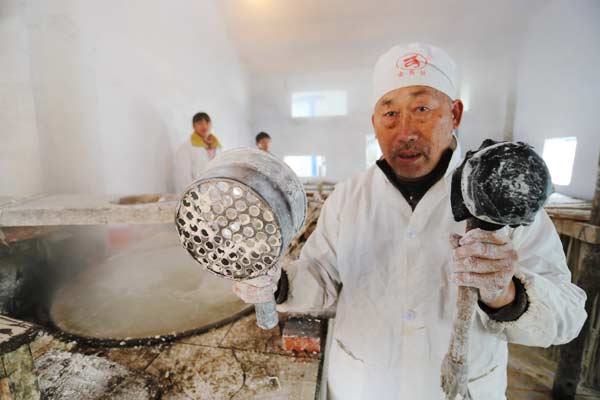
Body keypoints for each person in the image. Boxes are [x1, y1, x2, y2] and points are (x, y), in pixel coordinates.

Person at [232, 43, 587, 399]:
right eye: (390, 114)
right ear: (374, 123)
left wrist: (508, 295)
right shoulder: (349, 197)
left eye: (421, 109)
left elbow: (568, 318)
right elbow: (320, 279)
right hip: (361, 386)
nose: (405, 132)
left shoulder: (499, 195)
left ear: (455, 113)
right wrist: (278, 284)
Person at [173, 112, 222, 192]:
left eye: (207, 122)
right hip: (196, 195)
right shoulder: (186, 148)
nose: (204, 126)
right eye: (199, 123)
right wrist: (193, 196)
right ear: (194, 126)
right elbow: (183, 177)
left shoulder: (218, 147)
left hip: (216, 194)